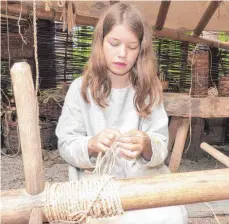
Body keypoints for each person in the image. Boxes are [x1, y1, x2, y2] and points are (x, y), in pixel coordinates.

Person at [56, 3, 188, 224]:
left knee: (171, 215)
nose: (122, 54)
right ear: (101, 42)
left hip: (142, 182)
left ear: (141, 50)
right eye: (114, 43)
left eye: (132, 46)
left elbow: (161, 144)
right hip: (96, 184)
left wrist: (146, 145)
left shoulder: (148, 90)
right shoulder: (80, 89)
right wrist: (91, 144)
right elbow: (66, 145)